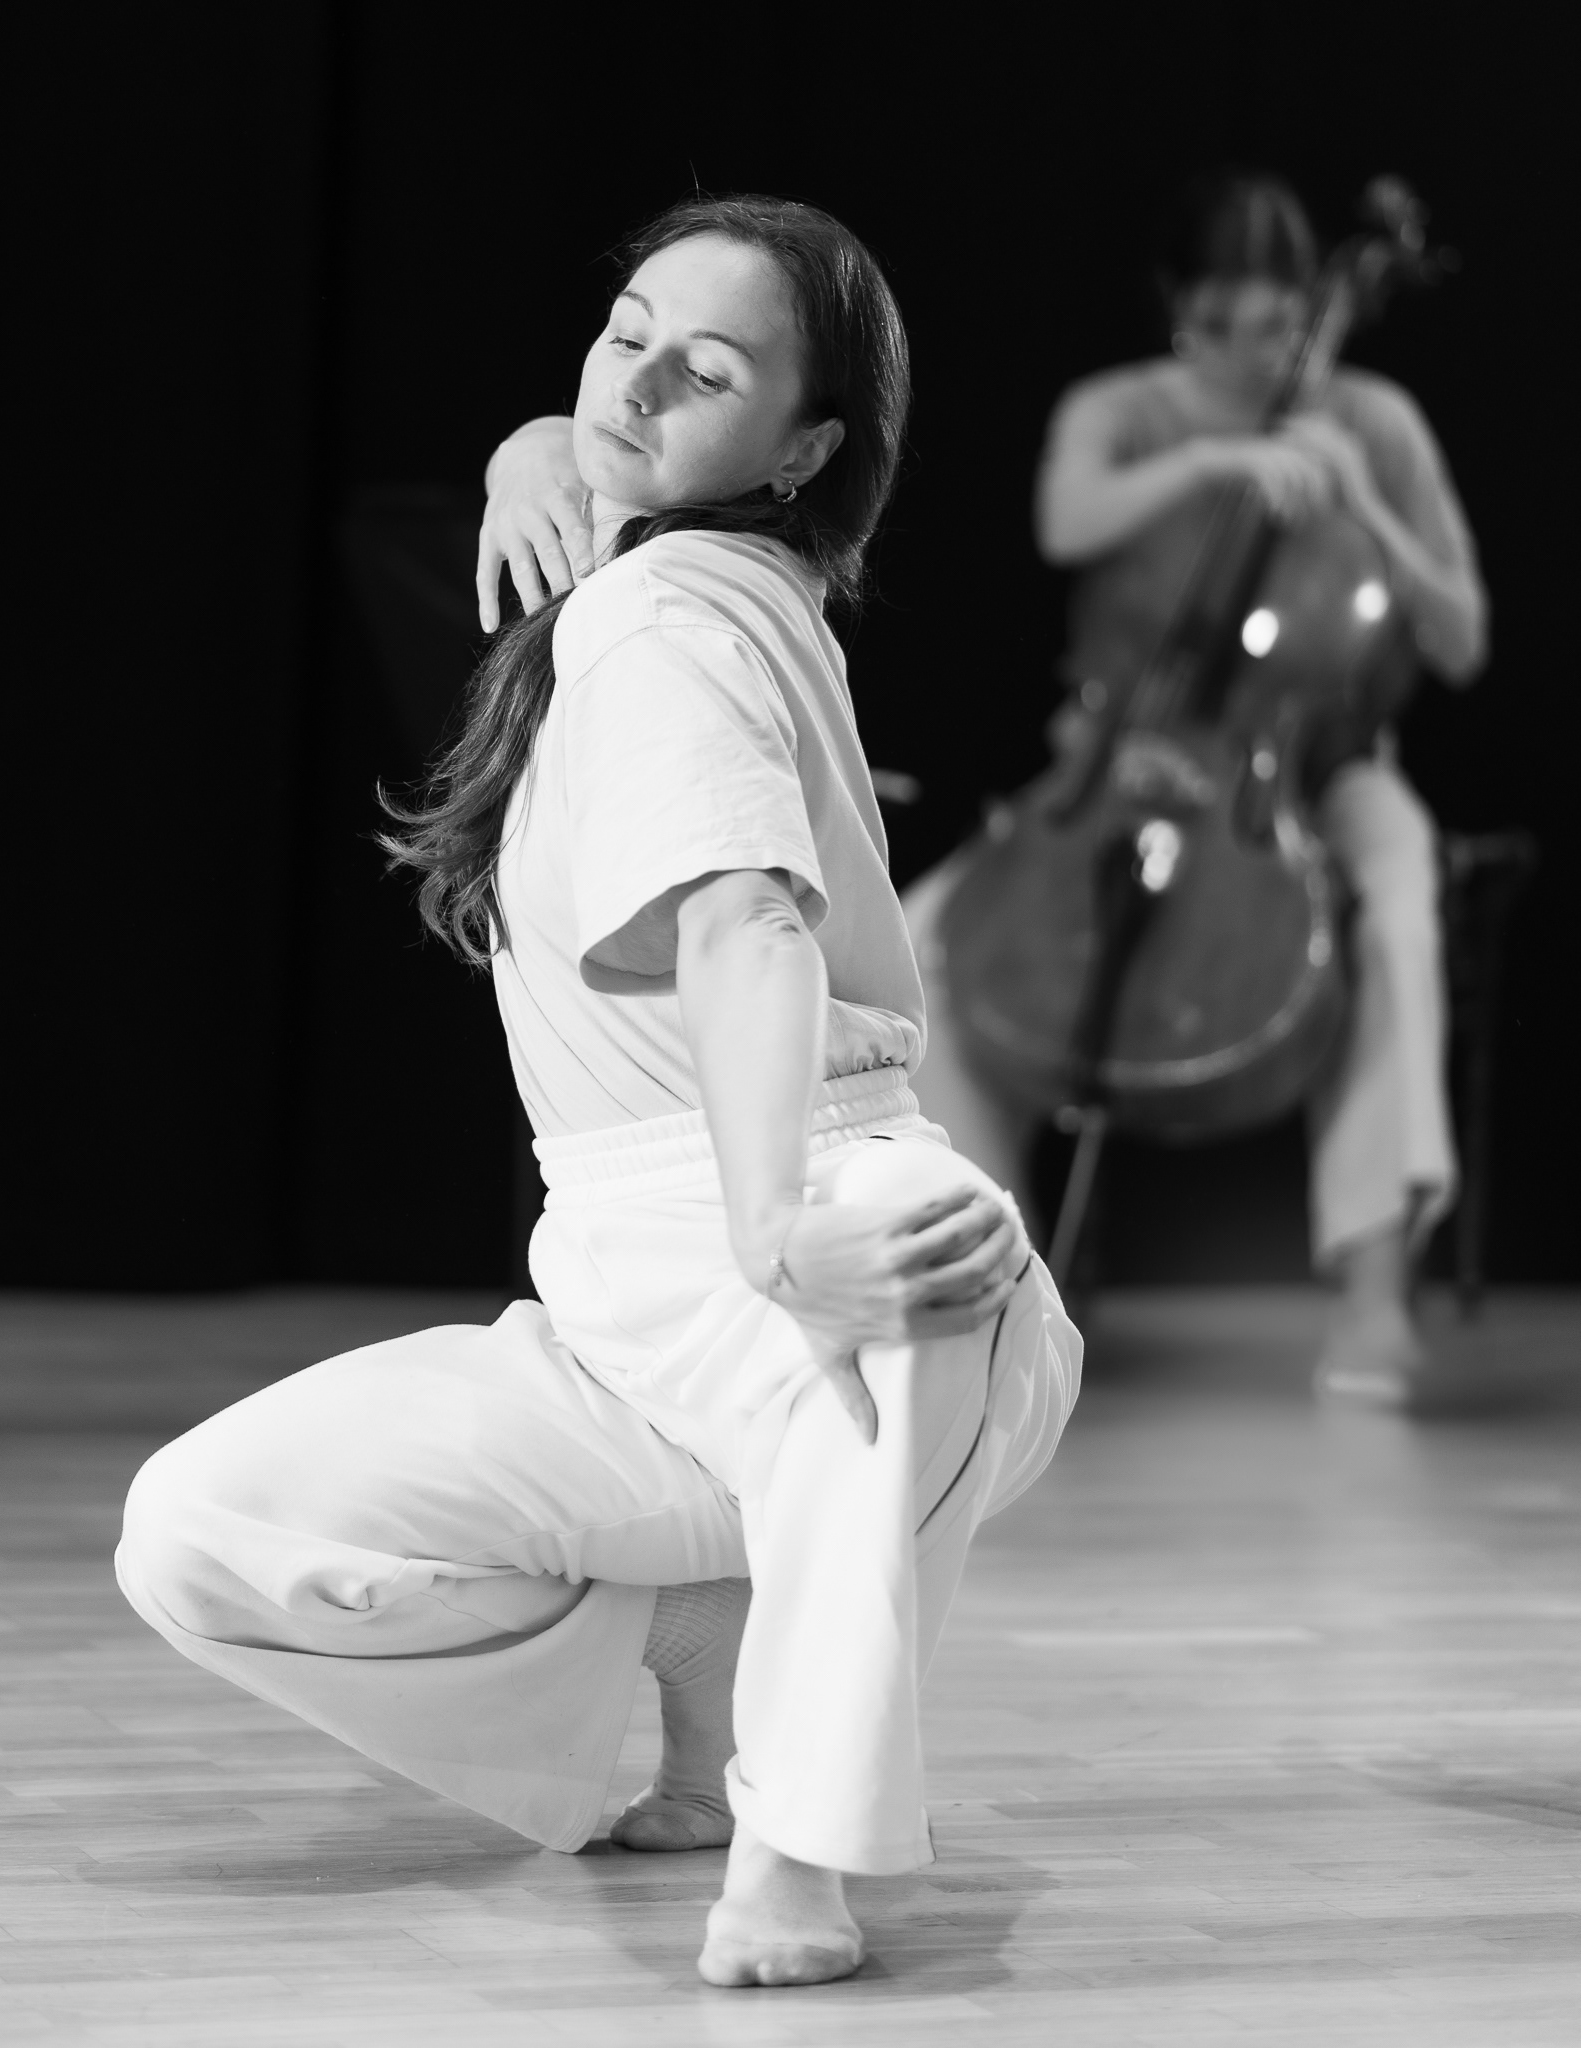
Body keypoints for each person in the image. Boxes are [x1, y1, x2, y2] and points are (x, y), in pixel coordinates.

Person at [116, 195, 1080, 1990]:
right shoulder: (663, 580)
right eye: (620, 329)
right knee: (200, 1522)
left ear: (799, 451)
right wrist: (537, 444)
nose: (633, 378)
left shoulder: (663, 619)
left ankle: (799, 1842)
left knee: (905, 1244)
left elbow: (742, 924)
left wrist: (777, 1216)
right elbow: (613, 437)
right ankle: (695, 1644)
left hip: (812, 1211)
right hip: (626, 1302)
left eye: (699, 368)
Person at [901, 171, 1486, 1406]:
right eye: (1216, 323)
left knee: (1397, 914)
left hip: (1317, 775)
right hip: (1118, 765)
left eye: (1275, 326)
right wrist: (1225, 459)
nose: (1245, 349)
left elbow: (1462, 636)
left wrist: (1362, 495)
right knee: (922, 942)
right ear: (1178, 310)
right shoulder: (1122, 409)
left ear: (1309, 318)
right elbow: (1066, 521)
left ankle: (1376, 1289)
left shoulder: (1374, 418)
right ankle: (974, 1277)